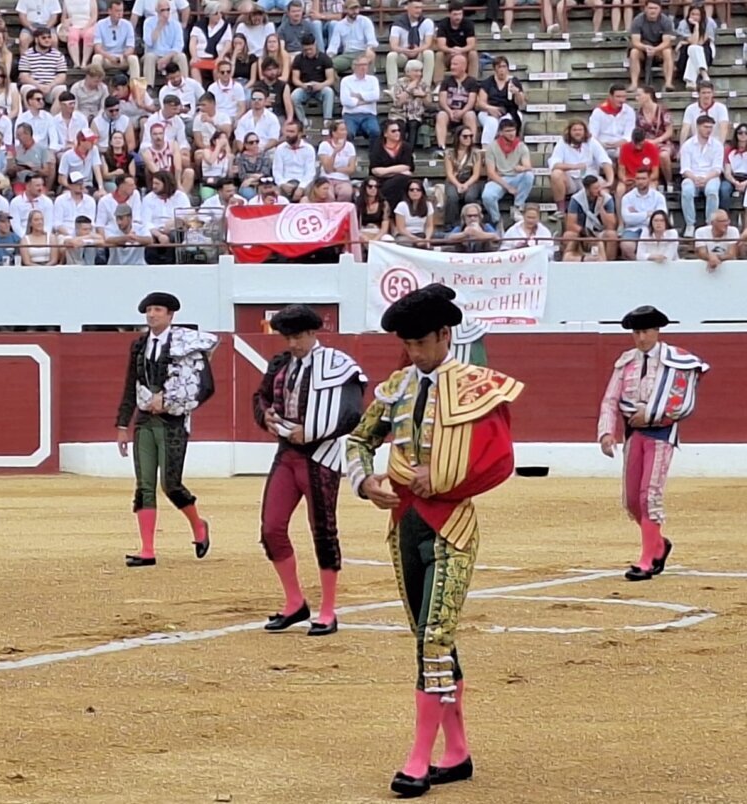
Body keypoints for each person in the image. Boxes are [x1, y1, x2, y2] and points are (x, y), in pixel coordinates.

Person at [345, 283, 523, 799]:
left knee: (434, 639)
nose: (415, 353)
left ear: (446, 334)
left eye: (422, 342)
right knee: (428, 639)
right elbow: (359, 439)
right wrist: (365, 480)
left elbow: (500, 460)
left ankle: (420, 758)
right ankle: (459, 752)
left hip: (453, 525)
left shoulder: (476, 384)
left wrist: (444, 482)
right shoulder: (397, 386)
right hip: (404, 523)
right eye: (408, 344)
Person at [252, 305, 365, 635]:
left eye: (299, 336)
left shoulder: (338, 364)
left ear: (314, 333)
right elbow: (260, 398)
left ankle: (328, 610)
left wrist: (314, 431)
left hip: (322, 455)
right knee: (271, 528)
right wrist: (266, 416)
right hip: (287, 452)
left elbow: (351, 412)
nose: (293, 343)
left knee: (323, 531)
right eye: (288, 337)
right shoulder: (281, 364)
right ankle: (295, 603)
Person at [597, 306, 708, 581]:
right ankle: (658, 543)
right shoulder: (625, 362)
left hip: (661, 434)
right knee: (632, 500)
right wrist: (606, 433)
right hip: (634, 434)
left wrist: (651, 414)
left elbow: (679, 400)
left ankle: (647, 560)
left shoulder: (675, 361)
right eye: (636, 332)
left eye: (645, 331)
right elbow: (611, 400)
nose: (641, 338)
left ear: (657, 331)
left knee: (649, 496)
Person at [114, 292, 217, 567]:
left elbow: (205, 387)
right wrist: (123, 424)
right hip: (145, 421)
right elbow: (129, 385)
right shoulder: (139, 346)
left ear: (171, 315)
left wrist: (172, 401)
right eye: (149, 310)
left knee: (170, 484)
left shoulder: (186, 345)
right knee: (144, 485)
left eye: (157, 310)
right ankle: (147, 550)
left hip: (173, 422)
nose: (151, 315)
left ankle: (199, 526)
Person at [548, 119, 614, 214]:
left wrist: (610, 181)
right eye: (575, 130)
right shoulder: (562, 142)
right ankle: (561, 210)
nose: (577, 132)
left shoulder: (592, 142)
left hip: (590, 178)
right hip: (571, 180)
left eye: (580, 130)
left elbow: (605, 161)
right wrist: (574, 166)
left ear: (584, 131)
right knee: (556, 174)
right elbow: (554, 164)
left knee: (605, 191)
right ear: (570, 131)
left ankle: (600, 216)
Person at [481, 118, 533, 227]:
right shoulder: (492, 147)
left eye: (513, 130)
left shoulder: (521, 146)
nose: (511, 133)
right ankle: (496, 219)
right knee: (487, 196)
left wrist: (522, 168)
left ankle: (517, 207)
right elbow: (491, 173)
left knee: (529, 175)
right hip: (498, 178)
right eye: (508, 131)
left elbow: (528, 166)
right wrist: (507, 187)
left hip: (515, 176)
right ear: (500, 132)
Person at [679, 114, 724, 237]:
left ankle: (710, 223)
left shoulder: (717, 145)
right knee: (687, 190)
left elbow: (717, 168)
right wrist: (694, 178)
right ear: (698, 127)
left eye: (710, 127)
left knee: (712, 191)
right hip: (692, 176)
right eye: (706, 127)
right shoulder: (687, 145)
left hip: (710, 176)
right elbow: (685, 168)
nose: (709, 130)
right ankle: (690, 224)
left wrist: (705, 178)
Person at [563, 175, 619, 261]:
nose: (599, 190)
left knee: (612, 235)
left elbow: (610, 225)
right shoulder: (576, 199)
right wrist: (585, 233)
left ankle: (608, 263)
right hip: (582, 231)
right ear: (587, 189)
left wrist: (601, 208)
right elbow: (571, 224)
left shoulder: (607, 199)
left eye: (599, 187)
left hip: (600, 231)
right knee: (568, 235)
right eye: (595, 188)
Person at [618, 166, 666, 259]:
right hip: (633, 229)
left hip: (653, 229)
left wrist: (636, 215)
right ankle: (639, 265)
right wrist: (647, 214)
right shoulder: (627, 197)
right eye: (638, 178)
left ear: (649, 180)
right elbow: (627, 219)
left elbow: (661, 216)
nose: (640, 181)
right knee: (626, 246)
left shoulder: (658, 196)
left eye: (643, 178)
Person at [434, 53, 479, 153]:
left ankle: (471, 146)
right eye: (451, 64)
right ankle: (441, 147)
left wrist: (462, 112)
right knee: (441, 115)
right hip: (449, 111)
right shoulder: (446, 81)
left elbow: (471, 101)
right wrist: (449, 111)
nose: (452, 67)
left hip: (464, 112)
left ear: (464, 66)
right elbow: (442, 100)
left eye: (455, 64)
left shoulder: (472, 82)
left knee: (470, 114)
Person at [476, 56, 524, 146]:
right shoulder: (487, 82)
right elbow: (480, 103)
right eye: (499, 67)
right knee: (492, 122)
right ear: (495, 69)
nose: (502, 70)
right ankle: (486, 149)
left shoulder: (513, 81)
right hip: (488, 111)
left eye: (504, 66)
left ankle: (508, 148)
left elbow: (520, 103)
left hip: (508, 111)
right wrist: (490, 108)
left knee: (508, 122)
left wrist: (517, 93)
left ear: (507, 68)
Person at [289, 33, 334, 129]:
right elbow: (295, 79)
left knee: (329, 92)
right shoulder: (298, 59)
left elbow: (330, 79)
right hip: (305, 87)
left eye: (310, 49)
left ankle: (327, 119)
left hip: (320, 87)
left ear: (315, 45)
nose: (309, 52)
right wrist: (303, 85)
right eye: (306, 50)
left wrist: (321, 85)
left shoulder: (324, 58)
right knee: (294, 96)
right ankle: (302, 121)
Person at [386, 0, 435, 89]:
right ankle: (392, 88)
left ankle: (426, 86)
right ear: (408, 8)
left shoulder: (427, 22)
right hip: (404, 55)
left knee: (429, 53)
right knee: (391, 55)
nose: (419, 11)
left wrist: (417, 50)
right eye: (416, 8)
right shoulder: (398, 24)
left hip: (419, 54)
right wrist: (406, 50)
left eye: (420, 8)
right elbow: (394, 46)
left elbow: (428, 44)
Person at [628, 0, 674, 92]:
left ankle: (668, 83)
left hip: (659, 49)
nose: (653, 11)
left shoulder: (666, 21)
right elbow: (635, 41)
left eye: (655, 8)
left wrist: (655, 49)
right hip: (643, 47)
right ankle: (634, 83)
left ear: (660, 9)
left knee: (668, 52)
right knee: (634, 52)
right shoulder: (638, 20)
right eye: (650, 8)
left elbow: (666, 42)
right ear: (645, 9)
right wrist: (645, 48)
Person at [443, 129, 483, 229]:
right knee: (452, 197)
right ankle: (450, 224)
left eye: (470, 136)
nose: (468, 139)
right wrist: (458, 185)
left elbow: (476, 174)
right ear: (458, 137)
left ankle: (472, 223)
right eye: (465, 136)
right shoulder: (449, 153)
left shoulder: (476, 153)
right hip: (454, 180)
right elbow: (449, 173)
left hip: (470, 180)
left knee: (470, 196)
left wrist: (466, 185)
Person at [338, 55, 379, 143]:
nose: (364, 67)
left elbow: (376, 96)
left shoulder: (373, 80)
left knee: (375, 131)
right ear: (354, 66)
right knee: (348, 133)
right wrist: (366, 101)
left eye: (366, 64)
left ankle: (374, 156)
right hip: (350, 115)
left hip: (369, 115)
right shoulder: (346, 80)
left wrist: (358, 95)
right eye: (361, 65)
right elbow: (345, 101)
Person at [588, 84, 635, 159]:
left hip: (621, 145)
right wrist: (601, 144)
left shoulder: (629, 111)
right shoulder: (598, 111)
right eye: (618, 97)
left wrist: (618, 144)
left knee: (628, 152)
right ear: (610, 96)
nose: (621, 100)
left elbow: (629, 134)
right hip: (601, 144)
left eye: (623, 97)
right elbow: (592, 134)